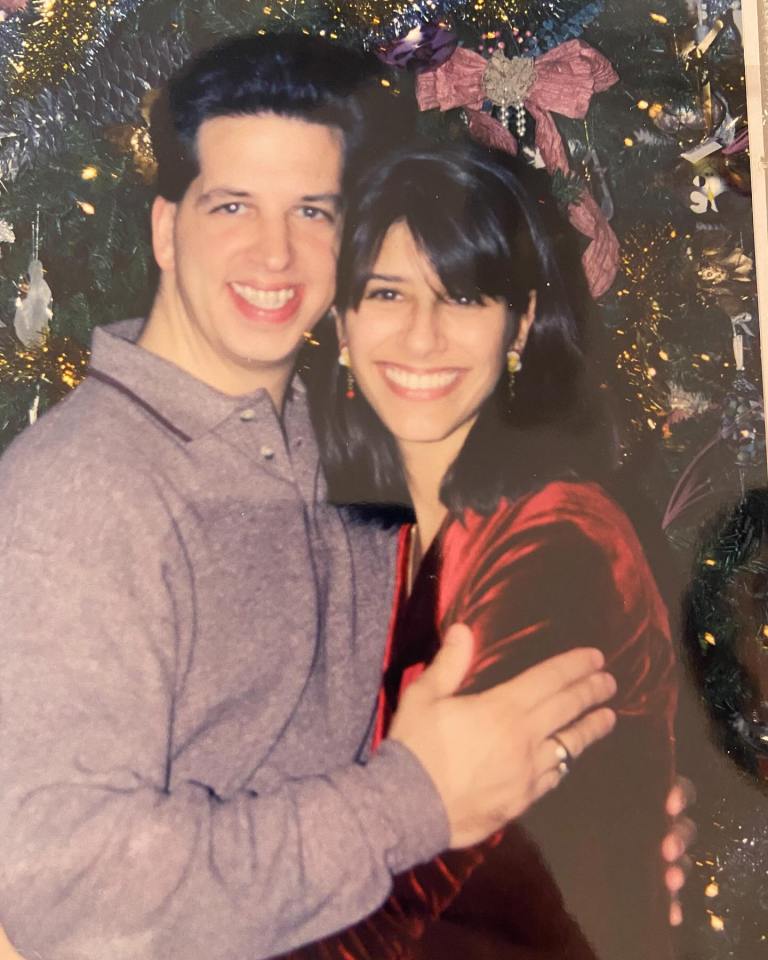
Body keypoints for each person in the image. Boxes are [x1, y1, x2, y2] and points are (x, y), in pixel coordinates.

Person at [0, 35, 618, 960]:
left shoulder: (337, 437)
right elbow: (72, 896)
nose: (277, 253)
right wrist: (412, 799)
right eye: (234, 204)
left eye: (315, 212)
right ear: (167, 228)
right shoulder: (82, 497)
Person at [303, 142, 679, 959]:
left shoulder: (566, 539)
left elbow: (415, 877)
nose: (422, 335)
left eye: (464, 296)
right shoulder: (369, 540)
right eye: (388, 293)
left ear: (521, 323)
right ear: (341, 324)